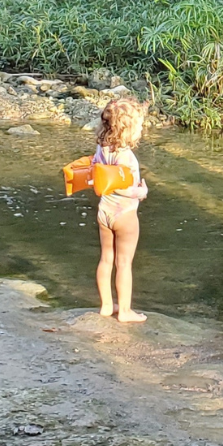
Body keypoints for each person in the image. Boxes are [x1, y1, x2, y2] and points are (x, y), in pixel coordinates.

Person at [93, 97, 150, 323]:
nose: (142, 129)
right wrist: (141, 192)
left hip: (105, 212)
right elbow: (125, 188)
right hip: (124, 214)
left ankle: (107, 306)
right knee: (124, 262)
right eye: (139, 125)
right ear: (128, 129)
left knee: (106, 259)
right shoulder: (126, 156)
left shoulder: (102, 146)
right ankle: (125, 311)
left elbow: (98, 175)